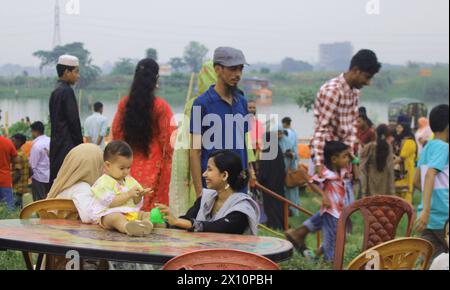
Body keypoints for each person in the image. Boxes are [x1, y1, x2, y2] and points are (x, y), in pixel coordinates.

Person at [190, 47, 256, 198]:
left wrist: (249, 173)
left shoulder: (242, 102)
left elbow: (243, 144)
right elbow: (195, 151)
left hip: (239, 185)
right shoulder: (202, 104)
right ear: (217, 69)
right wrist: (200, 192)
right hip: (214, 187)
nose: (238, 74)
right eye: (233, 69)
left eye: (240, 69)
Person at [112, 58, 175, 211]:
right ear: (156, 79)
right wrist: (167, 167)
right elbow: (169, 141)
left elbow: (116, 134)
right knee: (151, 213)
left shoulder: (124, 104)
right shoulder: (161, 107)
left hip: (127, 165)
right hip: (154, 164)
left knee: (125, 208)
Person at [311, 49, 381, 177]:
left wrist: (352, 162)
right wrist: (320, 165)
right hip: (329, 158)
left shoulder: (354, 92)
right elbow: (321, 130)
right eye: (367, 77)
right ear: (355, 70)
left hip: (343, 159)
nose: (368, 83)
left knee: (347, 196)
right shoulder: (333, 91)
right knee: (333, 196)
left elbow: (351, 129)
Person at [157, 150, 260, 235]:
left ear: (224, 175)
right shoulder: (206, 198)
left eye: (209, 170)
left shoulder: (242, 207)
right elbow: (187, 219)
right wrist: (162, 223)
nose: (204, 174)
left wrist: (178, 221)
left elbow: (219, 227)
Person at [285, 141, 352, 262]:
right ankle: (329, 260)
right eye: (345, 156)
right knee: (333, 237)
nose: (348, 159)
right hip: (332, 211)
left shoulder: (342, 171)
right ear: (334, 159)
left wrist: (351, 157)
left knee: (335, 233)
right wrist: (324, 195)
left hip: (338, 210)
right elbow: (312, 182)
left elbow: (354, 171)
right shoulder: (327, 173)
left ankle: (301, 238)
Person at [169, 61, 217, 218]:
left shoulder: (194, 103)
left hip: (200, 165)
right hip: (216, 165)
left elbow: (188, 142)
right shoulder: (232, 101)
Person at [90, 141, 154, 237]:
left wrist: (139, 196)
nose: (126, 171)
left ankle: (145, 225)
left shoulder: (129, 180)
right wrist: (128, 194)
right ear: (107, 165)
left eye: (128, 167)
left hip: (130, 212)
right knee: (115, 218)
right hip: (109, 213)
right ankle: (127, 227)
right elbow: (110, 202)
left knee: (146, 214)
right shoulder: (102, 182)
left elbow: (135, 202)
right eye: (122, 168)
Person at [414, 104, 449, 260]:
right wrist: (428, 209)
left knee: (431, 262)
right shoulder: (444, 148)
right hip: (444, 217)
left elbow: (416, 181)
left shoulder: (428, 147)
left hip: (427, 221)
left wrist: (426, 209)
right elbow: (430, 174)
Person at [49, 55, 83, 186]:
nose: (78, 76)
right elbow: (73, 122)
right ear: (66, 72)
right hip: (67, 146)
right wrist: (80, 146)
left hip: (57, 144)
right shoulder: (67, 91)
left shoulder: (56, 91)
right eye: (76, 71)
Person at [258, 131, 286, 230]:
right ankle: (281, 224)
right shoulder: (278, 150)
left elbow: (264, 171)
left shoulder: (267, 152)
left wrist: (259, 180)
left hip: (269, 185)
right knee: (279, 204)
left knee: (271, 205)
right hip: (279, 184)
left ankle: (273, 224)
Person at [360, 124, 395, 196]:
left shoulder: (369, 146)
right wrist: (392, 190)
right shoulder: (389, 146)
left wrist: (363, 189)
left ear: (376, 133)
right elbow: (390, 167)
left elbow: (362, 166)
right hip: (385, 181)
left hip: (371, 180)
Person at [279, 124, 301, 216]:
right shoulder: (273, 142)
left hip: (289, 170)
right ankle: (283, 211)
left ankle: (293, 210)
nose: (279, 135)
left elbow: (295, 155)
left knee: (291, 191)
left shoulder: (288, 141)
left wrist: (289, 154)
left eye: (280, 132)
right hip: (278, 172)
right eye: (276, 133)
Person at [394, 121, 417, 203]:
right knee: (399, 191)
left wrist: (391, 164)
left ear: (405, 129)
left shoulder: (409, 142)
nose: (397, 128)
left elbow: (402, 157)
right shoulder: (400, 141)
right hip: (399, 171)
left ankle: (408, 210)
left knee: (406, 192)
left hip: (406, 170)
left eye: (399, 127)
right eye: (397, 127)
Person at [29, 122, 51, 201]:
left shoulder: (36, 145)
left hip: (39, 178)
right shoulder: (50, 141)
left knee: (39, 203)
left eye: (32, 131)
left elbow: (32, 165)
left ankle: (40, 214)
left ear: (35, 131)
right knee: (50, 200)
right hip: (51, 176)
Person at [0, 134, 18, 209]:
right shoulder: (7, 142)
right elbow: (16, 160)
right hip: (5, 180)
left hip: (5, 180)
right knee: (8, 210)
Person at [11, 134, 29, 208]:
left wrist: (10, 185)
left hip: (16, 188)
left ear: (19, 142)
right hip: (21, 187)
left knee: (15, 210)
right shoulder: (23, 153)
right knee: (19, 208)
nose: (11, 142)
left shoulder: (17, 155)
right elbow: (30, 171)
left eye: (13, 140)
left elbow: (17, 173)